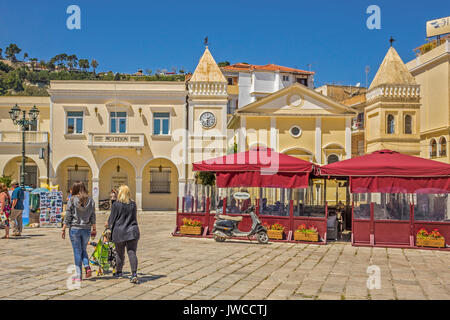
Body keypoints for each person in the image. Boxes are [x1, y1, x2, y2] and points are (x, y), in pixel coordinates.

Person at [62, 181, 96, 283]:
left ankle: (78, 275)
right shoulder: (90, 200)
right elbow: (93, 215)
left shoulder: (72, 200)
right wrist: (94, 228)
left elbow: (68, 215)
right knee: (83, 249)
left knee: (77, 251)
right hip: (86, 229)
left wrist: (63, 228)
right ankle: (87, 267)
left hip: (75, 229)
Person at [106, 185, 140, 284]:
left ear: (119, 193)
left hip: (119, 232)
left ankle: (119, 272)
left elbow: (111, 219)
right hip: (132, 231)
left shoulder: (116, 204)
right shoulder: (133, 204)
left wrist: (108, 224)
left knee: (120, 253)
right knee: (132, 252)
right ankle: (134, 274)